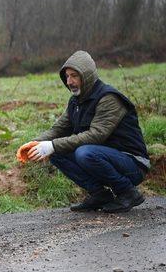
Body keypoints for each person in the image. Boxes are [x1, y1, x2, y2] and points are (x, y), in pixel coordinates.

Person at [22, 50, 150, 213]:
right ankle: (100, 194)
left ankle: (128, 192)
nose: (69, 81)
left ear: (87, 75)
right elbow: (58, 129)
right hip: (103, 156)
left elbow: (96, 135)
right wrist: (35, 143)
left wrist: (52, 145)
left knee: (84, 152)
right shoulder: (76, 101)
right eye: (67, 76)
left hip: (132, 163)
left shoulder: (108, 98)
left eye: (74, 76)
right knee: (56, 152)